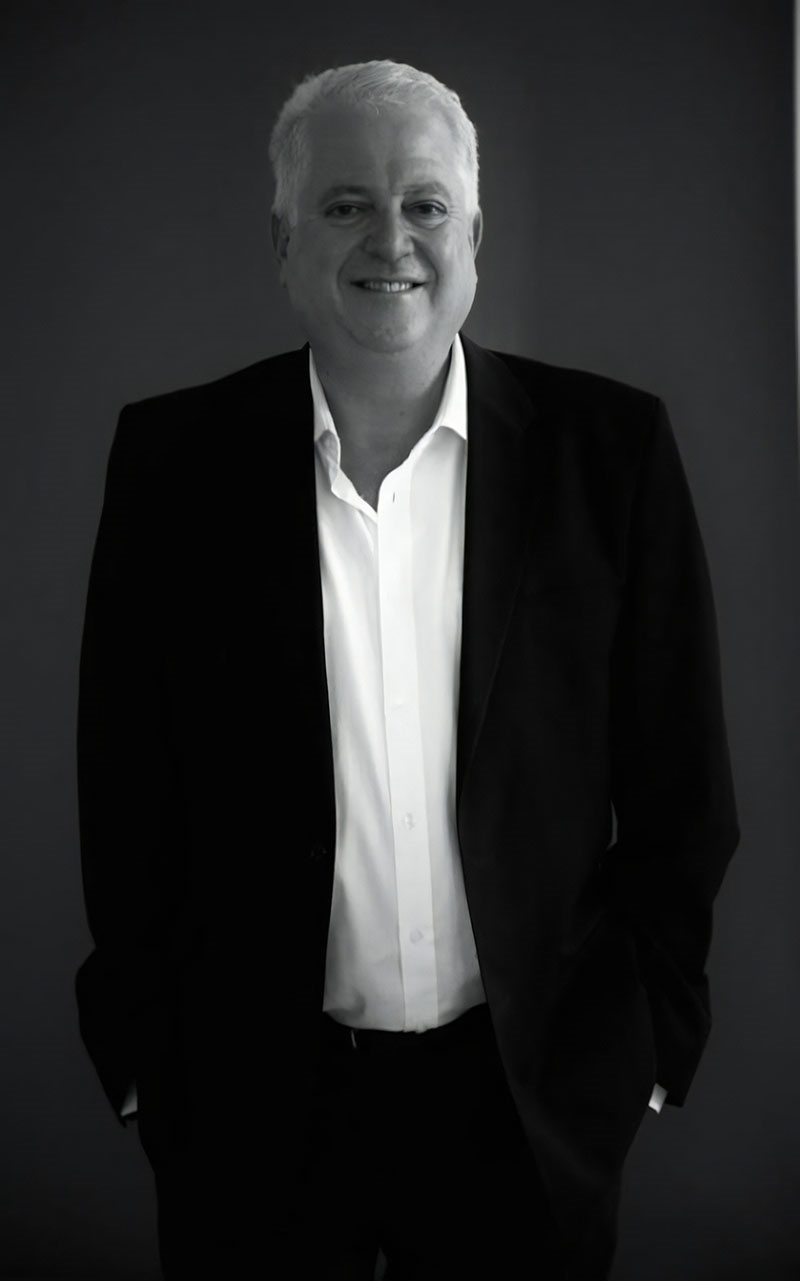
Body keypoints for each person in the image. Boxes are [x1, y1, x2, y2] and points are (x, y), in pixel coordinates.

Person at [76, 59, 739, 1281]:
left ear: (472, 237)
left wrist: (642, 1048)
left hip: (523, 1103)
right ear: (283, 241)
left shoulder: (609, 453)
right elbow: (125, 793)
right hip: (251, 1103)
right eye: (345, 205)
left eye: (424, 204)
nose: (391, 239)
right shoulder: (172, 465)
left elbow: (681, 786)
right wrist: (141, 1062)